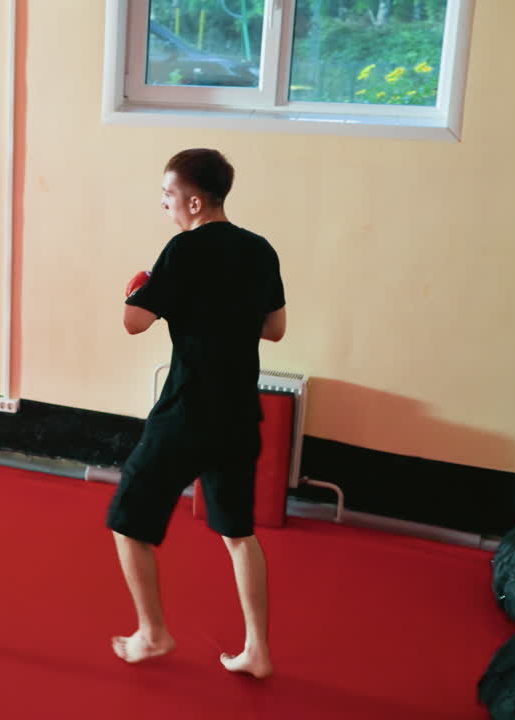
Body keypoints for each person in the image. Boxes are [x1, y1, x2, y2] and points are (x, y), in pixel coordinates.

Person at [108, 148, 287, 679]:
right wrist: (223, 314)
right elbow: (274, 329)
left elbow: (134, 323)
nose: (164, 204)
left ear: (192, 199)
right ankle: (258, 650)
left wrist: (136, 289)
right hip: (238, 411)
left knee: (127, 522)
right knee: (238, 534)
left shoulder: (182, 250)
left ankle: (152, 632)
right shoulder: (260, 249)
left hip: (186, 411)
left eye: (167, 196)